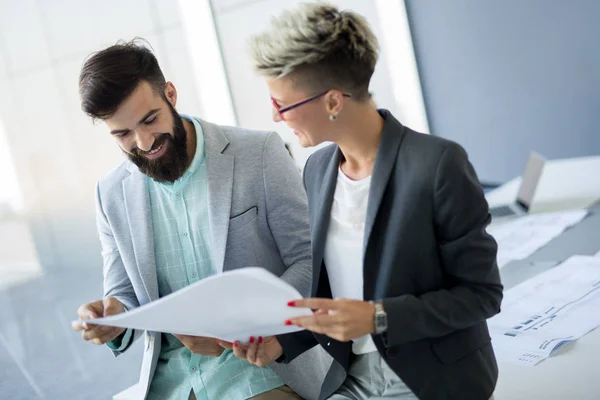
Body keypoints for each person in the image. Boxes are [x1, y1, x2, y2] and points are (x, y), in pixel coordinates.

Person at [227, 3, 503, 400]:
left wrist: (378, 317)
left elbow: (482, 294)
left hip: (429, 380)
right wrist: (283, 342)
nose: (275, 118)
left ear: (333, 102)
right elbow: (340, 293)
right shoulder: (318, 169)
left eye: (282, 104)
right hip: (351, 377)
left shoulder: (437, 164)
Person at [70, 40, 317, 400]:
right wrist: (112, 314)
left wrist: (238, 324)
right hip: (171, 382)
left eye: (150, 119)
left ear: (170, 93)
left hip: (261, 369)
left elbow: (310, 261)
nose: (144, 141)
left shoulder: (259, 153)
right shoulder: (110, 193)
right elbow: (123, 291)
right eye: (122, 134)